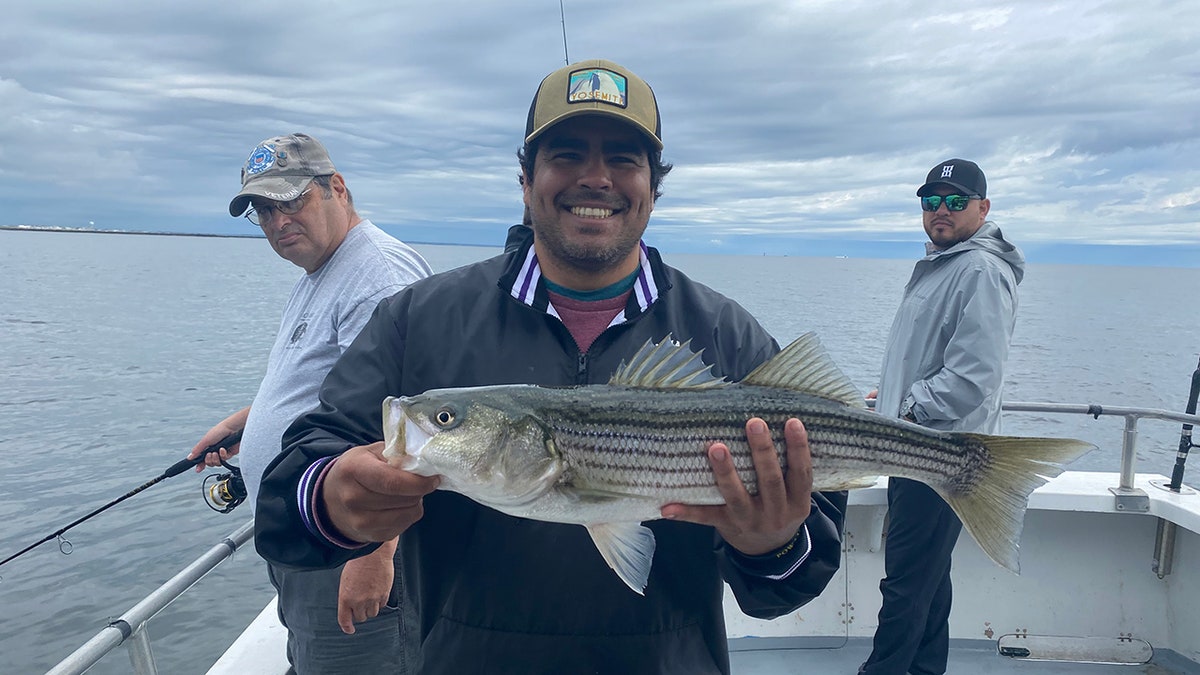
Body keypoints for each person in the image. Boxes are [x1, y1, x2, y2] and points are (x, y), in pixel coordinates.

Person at [255, 59, 846, 674]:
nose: (596, 178)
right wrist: (332, 497)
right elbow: (287, 498)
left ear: (653, 184)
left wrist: (771, 544)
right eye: (566, 155)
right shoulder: (419, 320)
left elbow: (789, 586)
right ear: (526, 178)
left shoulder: (724, 334)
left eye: (623, 158)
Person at [187, 133, 432, 673]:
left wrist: (373, 553)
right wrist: (246, 426)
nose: (277, 222)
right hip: (311, 536)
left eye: (291, 201)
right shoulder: (323, 271)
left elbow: (405, 425)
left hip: (344, 545)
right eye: (263, 210)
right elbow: (334, 395)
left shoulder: (378, 276)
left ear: (336, 188)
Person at [860, 159, 1024, 675]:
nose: (941, 211)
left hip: (937, 454)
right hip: (923, 449)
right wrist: (888, 396)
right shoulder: (947, 264)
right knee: (930, 579)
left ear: (984, 207)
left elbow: (973, 377)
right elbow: (930, 358)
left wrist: (906, 407)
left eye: (956, 201)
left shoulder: (978, 270)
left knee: (905, 582)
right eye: (931, 201)